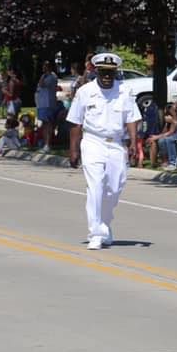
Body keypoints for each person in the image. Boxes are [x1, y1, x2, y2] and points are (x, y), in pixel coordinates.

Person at [66, 52, 141, 250]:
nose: (107, 76)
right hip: (92, 142)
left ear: (115, 72)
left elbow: (132, 118)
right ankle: (96, 233)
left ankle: (104, 225)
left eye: (110, 72)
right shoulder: (85, 91)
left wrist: (133, 142)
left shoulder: (124, 91)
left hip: (116, 143)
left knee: (114, 188)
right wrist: (73, 150)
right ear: (97, 72)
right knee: (96, 186)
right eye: (103, 72)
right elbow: (75, 122)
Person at [145, 103, 177, 168]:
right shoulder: (166, 119)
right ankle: (164, 160)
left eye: (170, 109)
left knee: (166, 140)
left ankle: (173, 161)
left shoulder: (176, 118)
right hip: (170, 135)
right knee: (161, 140)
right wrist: (166, 123)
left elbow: (171, 132)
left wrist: (156, 137)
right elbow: (164, 132)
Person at [35, 60, 58, 153]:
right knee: (44, 124)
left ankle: (48, 144)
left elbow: (41, 84)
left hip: (48, 103)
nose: (43, 68)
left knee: (48, 124)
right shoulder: (44, 76)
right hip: (42, 103)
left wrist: (44, 76)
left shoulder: (51, 77)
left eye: (45, 66)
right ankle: (45, 143)